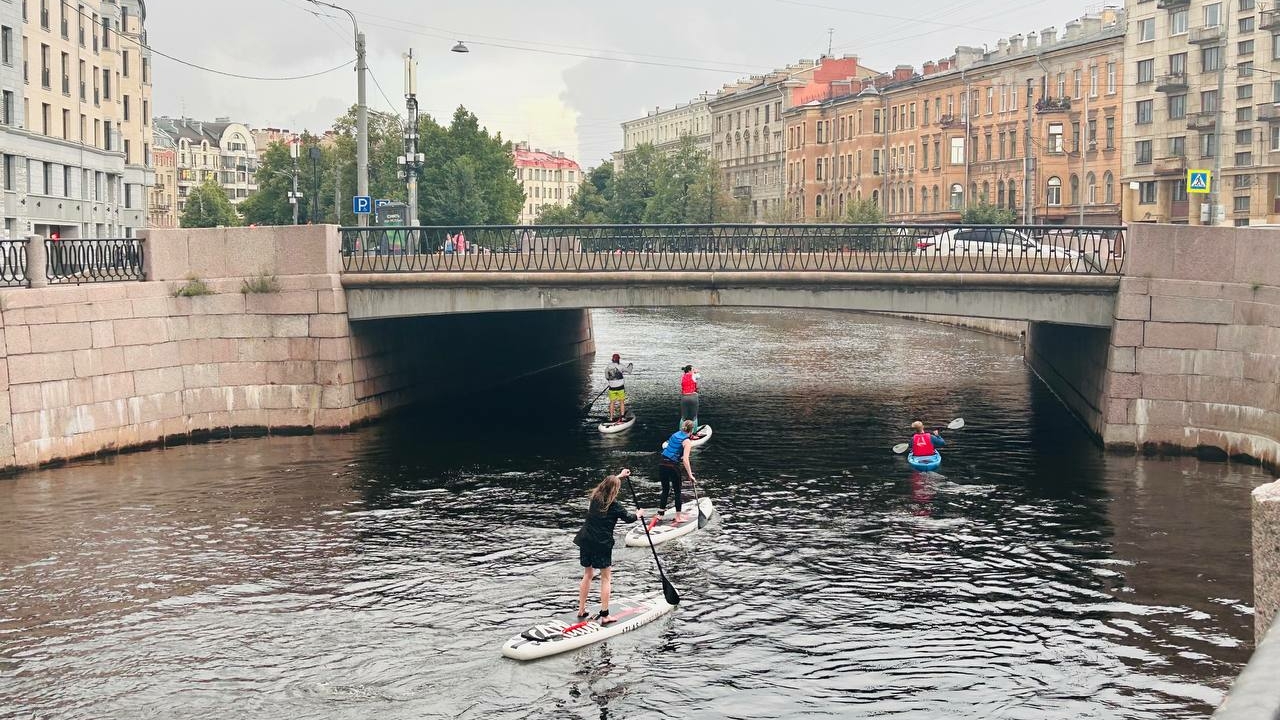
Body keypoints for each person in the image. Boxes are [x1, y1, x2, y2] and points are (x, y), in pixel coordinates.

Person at [573, 469, 644, 624]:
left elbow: (604, 484)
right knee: (606, 578)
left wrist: (618, 477)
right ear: (615, 490)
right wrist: (638, 514)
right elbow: (629, 518)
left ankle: (581, 609)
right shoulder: (615, 505)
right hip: (601, 544)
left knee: (588, 574)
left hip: (585, 539)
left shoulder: (595, 497)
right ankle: (605, 616)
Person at [658, 420, 697, 524]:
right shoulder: (687, 441)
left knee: (665, 489)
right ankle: (678, 517)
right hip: (672, 466)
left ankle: (660, 514)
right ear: (692, 430)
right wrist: (690, 475)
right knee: (677, 492)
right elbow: (685, 459)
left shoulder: (675, 435)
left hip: (662, 463)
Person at [605, 353, 634, 422]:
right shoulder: (621, 366)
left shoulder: (608, 367)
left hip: (612, 388)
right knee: (622, 402)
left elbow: (607, 377)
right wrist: (631, 365)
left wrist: (612, 381)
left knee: (612, 402)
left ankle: (611, 417)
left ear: (612, 359)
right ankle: (623, 416)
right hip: (620, 388)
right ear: (618, 359)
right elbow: (629, 371)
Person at [679, 365, 701, 432]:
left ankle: (681, 432)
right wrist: (696, 372)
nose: (693, 370)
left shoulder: (683, 376)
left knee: (683, 417)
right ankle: (694, 433)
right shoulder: (693, 375)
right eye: (692, 369)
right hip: (693, 397)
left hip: (684, 397)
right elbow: (699, 376)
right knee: (694, 417)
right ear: (689, 370)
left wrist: (693, 372)